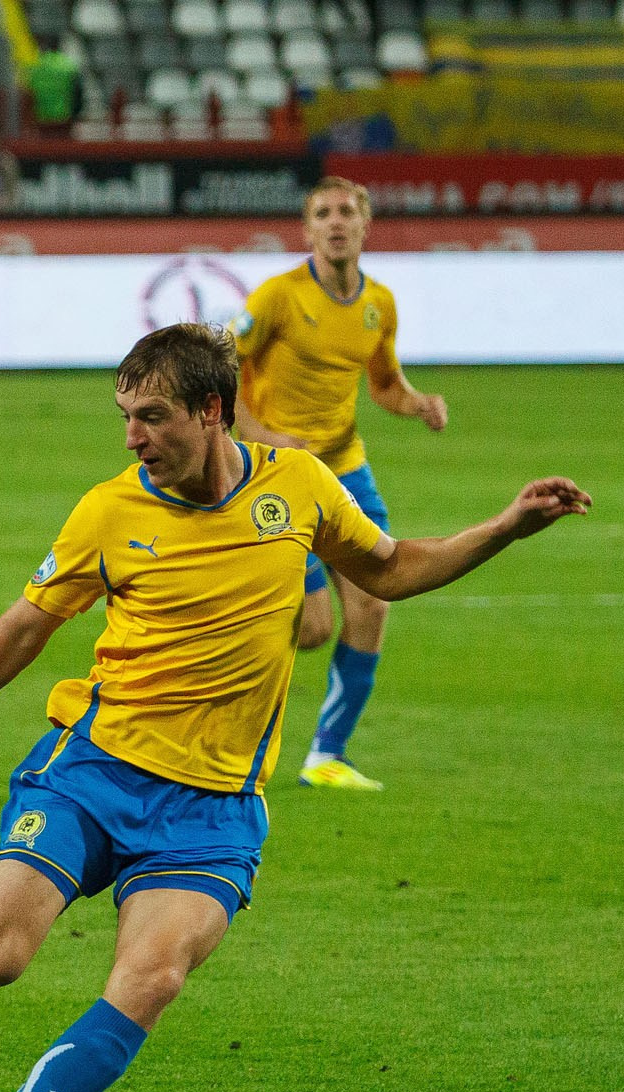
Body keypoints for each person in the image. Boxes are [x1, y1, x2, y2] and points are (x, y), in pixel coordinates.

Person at [0, 323, 587, 1092]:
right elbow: (23, 628)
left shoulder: (298, 487)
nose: (133, 436)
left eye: (153, 416)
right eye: (125, 416)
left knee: (151, 978)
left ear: (213, 412)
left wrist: (508, 525)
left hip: (213, 810)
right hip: (89, 773)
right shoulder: (108, 510)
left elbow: (393, 567)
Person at [231, 176, 449, 791]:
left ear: (364, 224)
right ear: (306, 230)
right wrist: (264, 437)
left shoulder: (379, 304)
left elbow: (382, 384)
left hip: (344, 466)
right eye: (323, 212)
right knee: (313, 627)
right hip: (277, 473)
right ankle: (220, 681)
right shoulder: (277, 297)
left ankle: (327, 755)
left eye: (347, 211)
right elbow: (222, 368)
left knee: (376, 600)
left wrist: (418, 404)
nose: (335, 222)